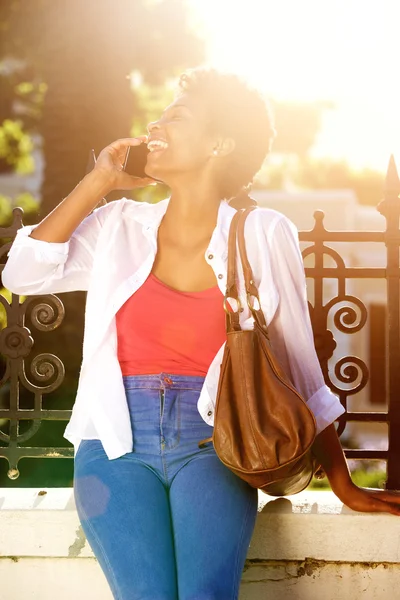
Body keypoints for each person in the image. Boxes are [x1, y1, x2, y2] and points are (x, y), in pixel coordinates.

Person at [3, 67, 400, 600]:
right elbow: (21, 274)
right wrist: (98, 181)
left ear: (220, 143)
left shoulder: (263, 232)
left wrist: (343, 482)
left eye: (177, 116)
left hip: (216, 439)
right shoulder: (120, 224)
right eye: (160, 116)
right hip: (113, 440)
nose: (155, 125)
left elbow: (300, 366)